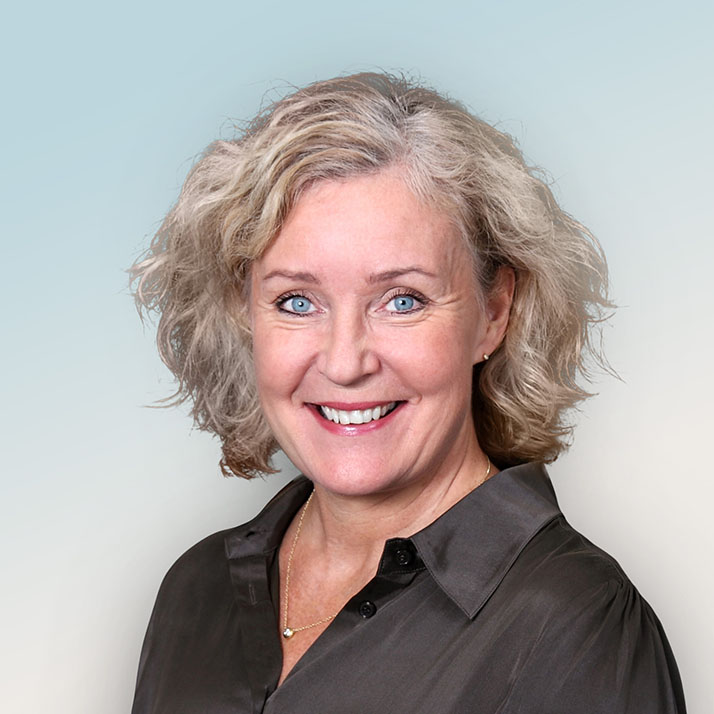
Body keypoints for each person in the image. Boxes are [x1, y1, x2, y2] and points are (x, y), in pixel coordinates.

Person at [130, 72, 686, 713]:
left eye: (402, 300)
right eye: (297, 301)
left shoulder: (575, 626)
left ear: (494, 312)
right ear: (243, 312)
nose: (344, 363)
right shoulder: (197, 591)